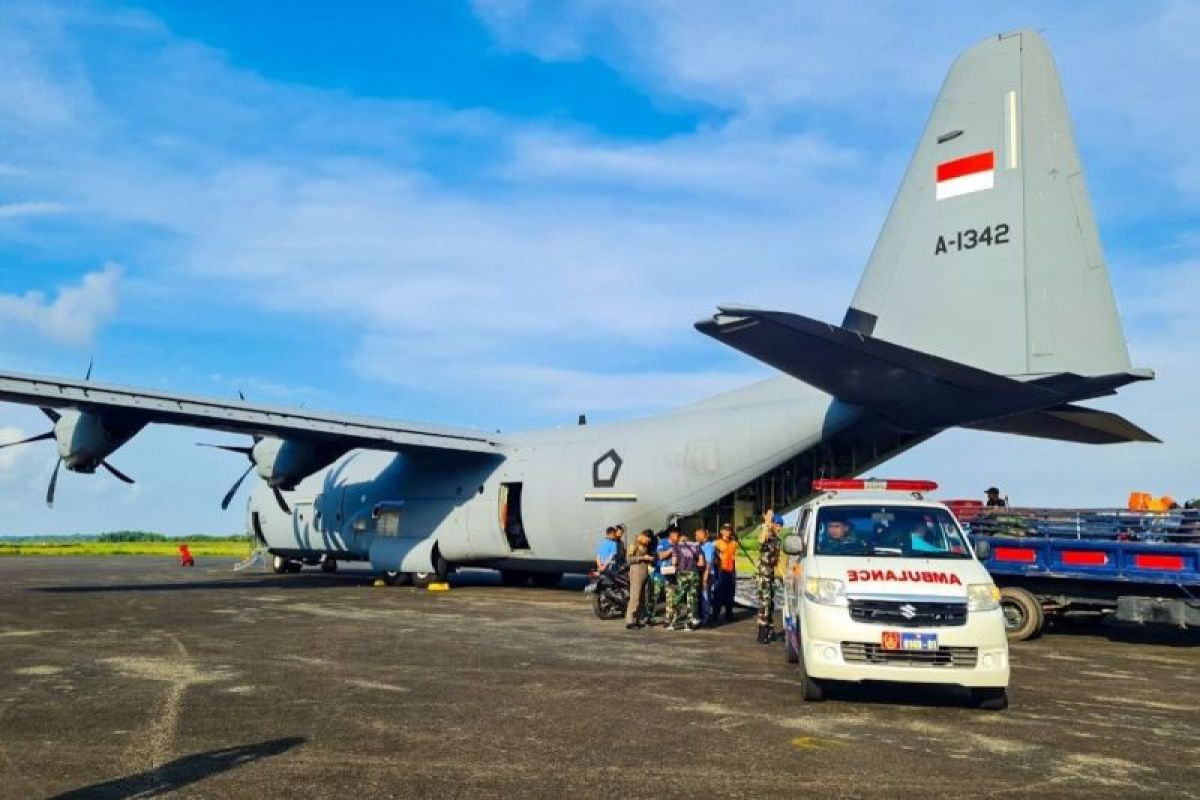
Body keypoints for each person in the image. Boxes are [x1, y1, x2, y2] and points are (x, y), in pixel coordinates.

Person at [756, 510, 783, 644]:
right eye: (777, 524)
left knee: (770, 603)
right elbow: (761, 540)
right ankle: (761, 633)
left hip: (770, 574)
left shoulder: (777, 540)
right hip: (763, 575)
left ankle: (770, 631)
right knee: (764, 603)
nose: (779, 527)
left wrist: (782, 575)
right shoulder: (766, 533)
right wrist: (767, 522)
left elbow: (777, 560)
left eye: (781, 525)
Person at [671, 528, 705, 630]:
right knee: (692, 597)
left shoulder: (676, 546)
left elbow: (674, 562)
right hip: (694, 573)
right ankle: (691, 621)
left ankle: (674, 620)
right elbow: (702, 563)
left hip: (682, 574)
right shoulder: (697, 546)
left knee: (678, 596)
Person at [624, 529, 656, 629]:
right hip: (636, 572)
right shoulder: (633, 545)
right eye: (647, 539)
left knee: (643, 598)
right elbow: (629, 559)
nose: (648, 541)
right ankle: (630, 620)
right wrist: (642, 558)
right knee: (635, 597)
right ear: (642, 536)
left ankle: (639, 619)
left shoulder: (645, 546)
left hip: (645, 572)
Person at [650, 528, 679, 626]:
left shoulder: (678, 543)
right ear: (671, 534)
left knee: (671, 596)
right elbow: (661, 556)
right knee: (656, 595)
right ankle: (650, 615)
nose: (677, 536)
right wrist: (672, 550)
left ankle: (670, 617)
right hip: (660, 574)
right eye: (675, 534)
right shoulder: (663, 542)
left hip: (672, 574)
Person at [711, 523, 738, 624]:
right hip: (720, 571)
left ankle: (729, 615)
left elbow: (735, 557)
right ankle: (715, 616)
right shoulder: (716, 543)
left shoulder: (734, 543)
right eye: (726, 530)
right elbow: (713, 556)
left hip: (731, 571)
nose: (728, 532)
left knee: (730, 595)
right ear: (721, 531)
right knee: (718, 594)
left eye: (729, 530)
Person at [695, 528, 716, 626]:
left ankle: (706, 619)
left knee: (705, 596)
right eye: (696, 535)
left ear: (704, 535)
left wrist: (705, 576)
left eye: (698, 535)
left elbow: (708, 562)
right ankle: (700, 617)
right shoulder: (699, 546)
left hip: (707, 574)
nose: (696, 537)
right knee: (700, 596)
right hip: (700, 574)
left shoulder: (708, 546)